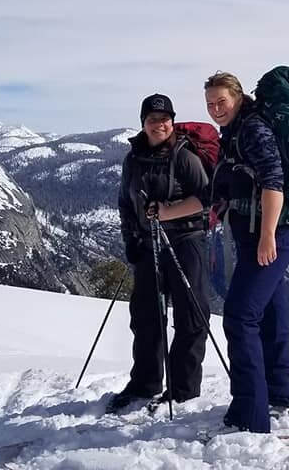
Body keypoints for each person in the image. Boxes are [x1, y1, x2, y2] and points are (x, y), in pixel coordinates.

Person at [204, 72, 289, 433]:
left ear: (238, 97)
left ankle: (249, 415)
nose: (215, 109)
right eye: (210, 104)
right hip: (252, 234)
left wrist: (268, 236)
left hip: (267, 236)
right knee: (272, 312)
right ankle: (276, 394)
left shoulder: (253, 129)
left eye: (221, 102)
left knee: (240, 318)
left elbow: (274, 181)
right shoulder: (235, 131)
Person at [108, 93, 211, 413]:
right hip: (146, 242)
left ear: (172, 121)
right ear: (143, 123)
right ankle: (145, 383)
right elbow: (126, 203)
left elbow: (206, 198)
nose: (159, 125)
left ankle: (183, 389)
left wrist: (168, 211)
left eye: (165, 119)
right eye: (153, 120)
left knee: (191, 316)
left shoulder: (185, 157)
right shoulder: (133, 159)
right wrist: (131, 239)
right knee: (145, 317)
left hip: (185, 241)